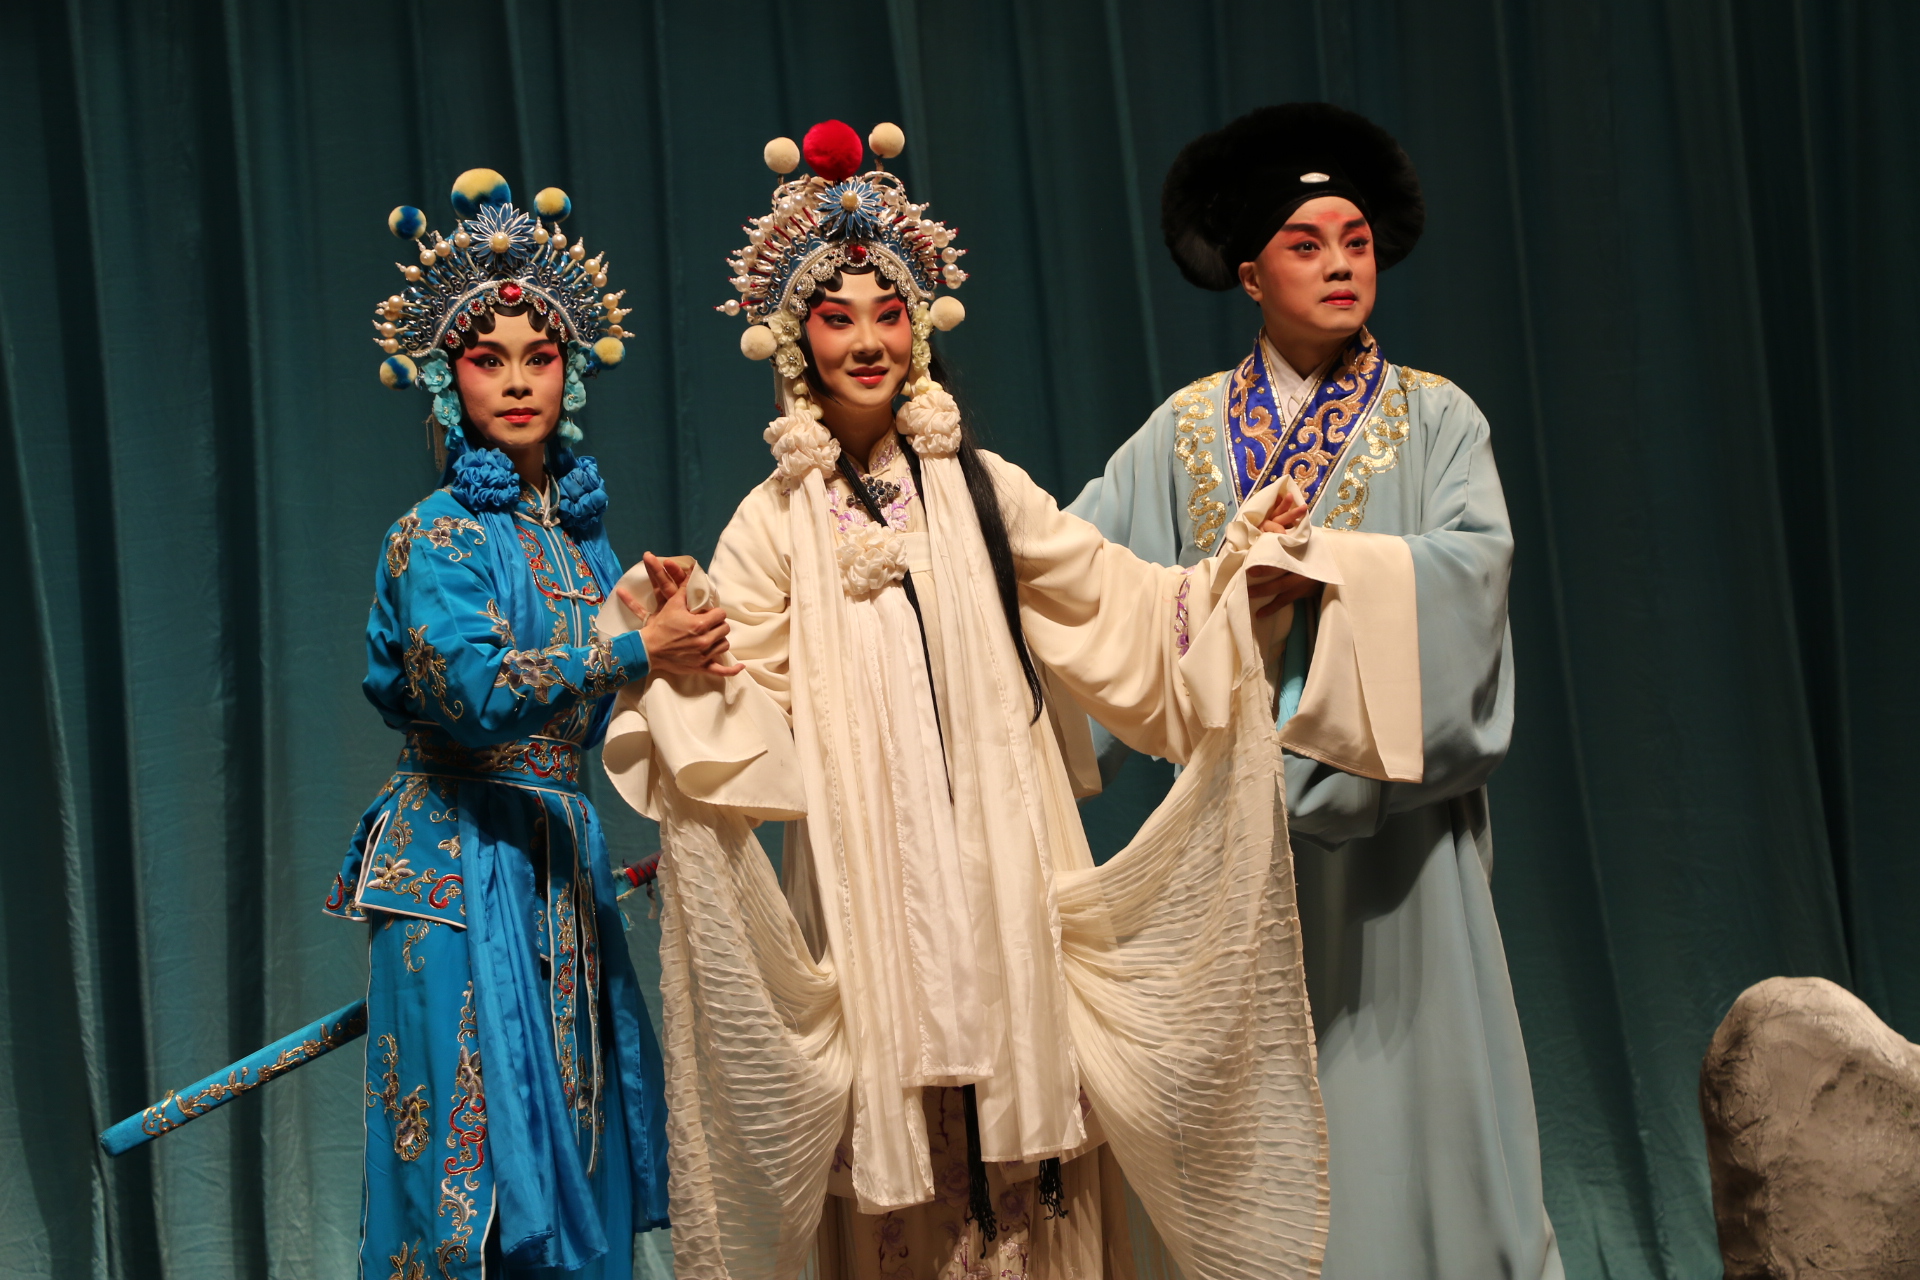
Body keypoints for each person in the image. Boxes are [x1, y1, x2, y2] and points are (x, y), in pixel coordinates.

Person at [598, 121, 1424, 1280]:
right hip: (873, 888)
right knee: (901, 1173)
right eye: (837, 317)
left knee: (1033, 1164)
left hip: (1007, 871)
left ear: (920, 326)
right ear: (794, 341)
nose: (869, 340)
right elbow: (745, 696)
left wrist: (1232, 582)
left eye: (889, 312)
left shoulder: (985, 489)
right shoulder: (773, 522)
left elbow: (1122, 606)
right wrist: (683, 637)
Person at [1067, 103, 1564, 1279]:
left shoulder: (1438, 417)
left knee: (1421, 1100)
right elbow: (1088, 582)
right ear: (1250, 274)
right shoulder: (1183, 432)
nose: (1342, 263)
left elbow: (1473, 572)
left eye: (1357, 240)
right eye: (1306, 243)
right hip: (1233, 831)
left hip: (1400, 837)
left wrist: (1326, 569)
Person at [325, 170, 733, 1279]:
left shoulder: (579, 546)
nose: (515, 380)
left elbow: (588, 708)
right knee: (467, 1182)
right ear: (444, 377)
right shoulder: (433, 535)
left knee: (580, 1154)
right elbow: (473, 693)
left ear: (572, 370)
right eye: (486, 358)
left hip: (556, 865)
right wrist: (637, 649)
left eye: (539, 356)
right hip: (453, 872)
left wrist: (660, 622)